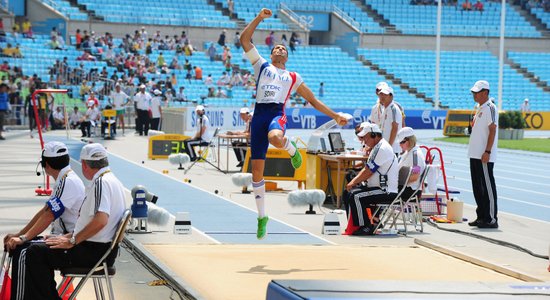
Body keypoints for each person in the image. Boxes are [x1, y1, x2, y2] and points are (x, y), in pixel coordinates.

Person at [240, 8, 349, 239]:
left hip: (275, 114)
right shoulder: (262, 67)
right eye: (276, 48)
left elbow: (312, 100)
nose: (279, 48)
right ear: (271, 55)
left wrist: (334, 115)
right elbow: (244, 39)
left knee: (276, 139)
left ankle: (291, 150)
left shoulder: (293, 77)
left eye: (283, 48)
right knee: (256, 174)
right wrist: (259, 18)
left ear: (287, 57)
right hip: (258, 115)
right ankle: (262, 217)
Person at [21, 143, 127, 299]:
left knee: (33, 253)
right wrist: (66, 237)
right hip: (101, 251)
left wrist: (72, 240)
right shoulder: (114, 181)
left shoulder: (100, 183)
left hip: (92, 252)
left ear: (84, 164)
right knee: (41, 247)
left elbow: (101, 221)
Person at [4, 141, 85, 300]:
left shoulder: (67, 182)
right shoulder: (65, 179)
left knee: (24, 252)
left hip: (72, 243)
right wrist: (20, 234)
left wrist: (23, 238)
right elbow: (45, 211)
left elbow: (48, 216)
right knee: (25, 248)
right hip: (67, 239)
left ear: (45, 164)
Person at [345, 122, 398, 236]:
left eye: (366, 138)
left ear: (374, 135)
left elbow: (369, 171)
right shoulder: (376, 147)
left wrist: (353, 182)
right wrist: (353, 183)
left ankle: (366, 227)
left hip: (385, 190)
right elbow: (367, 169)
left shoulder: (382, 148)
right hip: (377, 187)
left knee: (356, 196)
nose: (364, 141)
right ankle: (354, 225)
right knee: (348, 193)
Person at [468, 80, 499, 229]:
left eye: (477, 92)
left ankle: (491, 218)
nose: (474, 95)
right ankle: (481, 216)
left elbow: (492, 130)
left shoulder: (490, 108)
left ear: (485, 93)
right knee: (478, 187)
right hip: (474, 154)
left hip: (484, 155)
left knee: (487, 187)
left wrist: (487, 151)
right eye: (473, 92)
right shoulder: (479, 108)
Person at [396, 127, 426, 202]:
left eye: (402, 142)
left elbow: (415, 176)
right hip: (404, 188)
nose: (400, 145)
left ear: (410, 140)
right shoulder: (408, 152)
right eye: (399, 142)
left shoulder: (415, 155)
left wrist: (395, 181)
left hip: (410, 191)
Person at [378, 85, 403, 156]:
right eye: (381, 94)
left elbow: (395, 128)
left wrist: (389, 146)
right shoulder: (385, 109)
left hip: (392, 148)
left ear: (391, 96)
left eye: (385, 94)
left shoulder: (393, 109)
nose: (382, 96)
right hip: (386, 147)